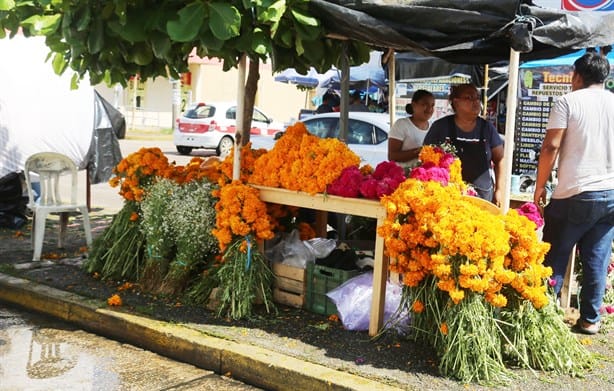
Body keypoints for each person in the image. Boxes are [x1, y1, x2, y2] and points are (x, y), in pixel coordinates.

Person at [533, 51, 614, 335]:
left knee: (555, 253)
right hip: (610, 193)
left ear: (577, 76)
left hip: (575, 191)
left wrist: (540, 186)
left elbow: (550, 146)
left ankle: (544, 317)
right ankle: (591, 319)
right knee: (597, 256)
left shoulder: (567, 101)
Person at [423, 84, 504, 204]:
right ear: (456, 102)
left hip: (482, 198)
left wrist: (500, 190)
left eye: (477, 98)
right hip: (448, 198)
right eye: (469, 98)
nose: (476, 102)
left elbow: (500, 159)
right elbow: (425, 159)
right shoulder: (440, 127)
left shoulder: (487, 128)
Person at [388, 89, 435, 167]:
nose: (429, 109)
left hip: (426, 177)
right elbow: (392, 156)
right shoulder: (401, 124)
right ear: (414, 105)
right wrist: (419, 152)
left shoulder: (434, 127)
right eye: (425, 104)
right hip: (403, 176)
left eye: (432, 105)